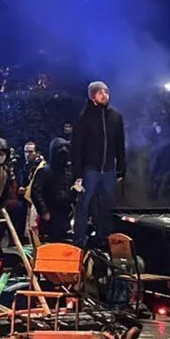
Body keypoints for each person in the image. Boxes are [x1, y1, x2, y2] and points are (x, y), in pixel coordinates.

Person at [71, 81, 127, 247]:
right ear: (92, 96)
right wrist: (77, 174)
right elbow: (77, 147)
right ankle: (79, 241)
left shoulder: (116, 117)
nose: (105, 95)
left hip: (108, 169)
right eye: (100, 92)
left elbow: (120, 143)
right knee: (84, 205)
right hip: (90, 169)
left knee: (107, 205)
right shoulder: (84, 117)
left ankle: (105, 239)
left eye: (106, 92)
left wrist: (121, 167)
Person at [29, 137, 76, 243]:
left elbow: (71, 192)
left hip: (65, 216)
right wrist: (44, 211)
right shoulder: (44, 172)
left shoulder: (68, 172)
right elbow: (36, 193)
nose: (63, 154)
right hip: (49, 216)